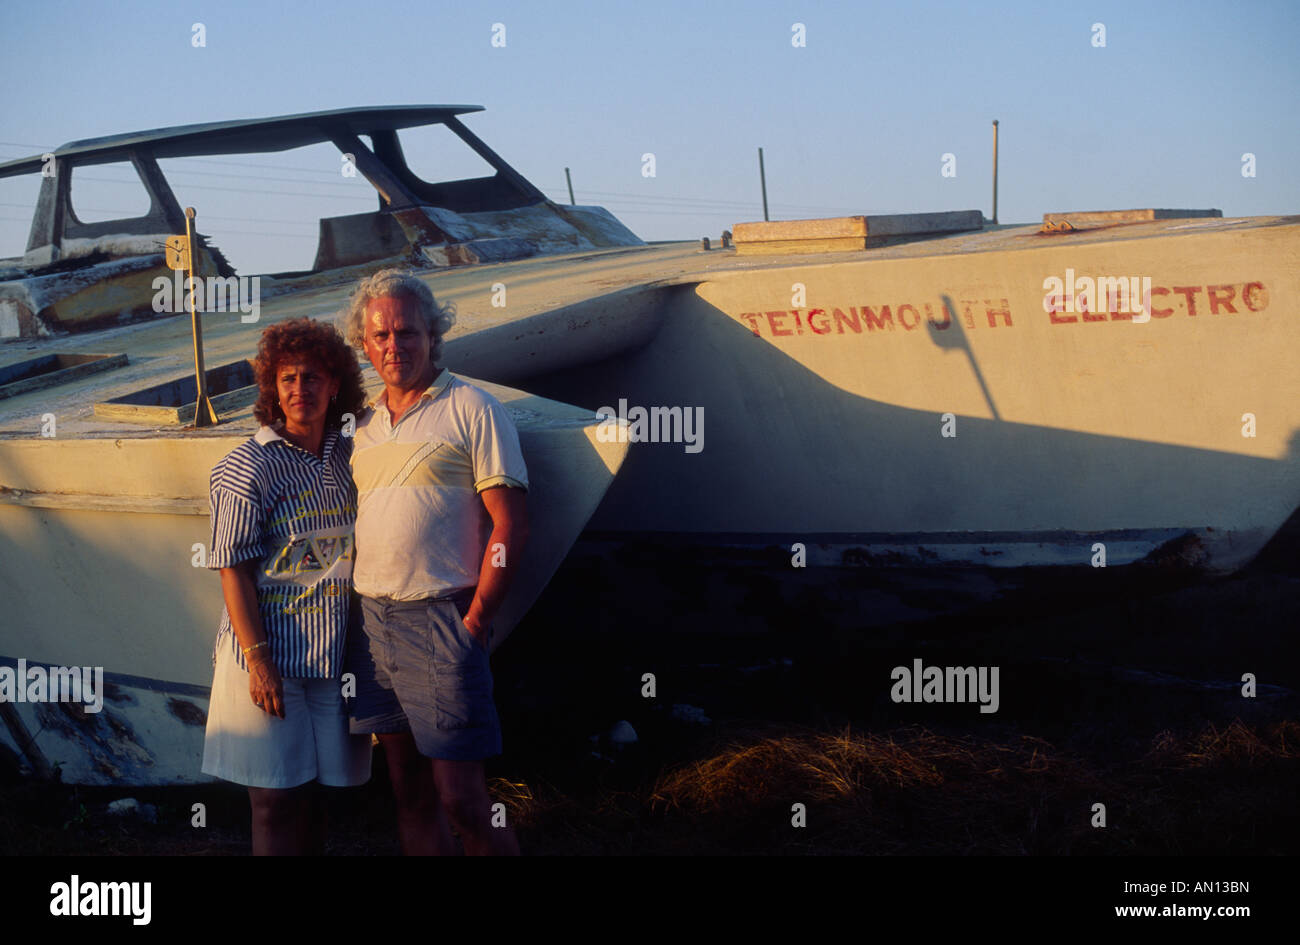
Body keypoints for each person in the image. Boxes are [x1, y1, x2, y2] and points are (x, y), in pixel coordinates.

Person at [340, 269, 529, 856]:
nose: (394, 345)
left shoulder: (473, 408)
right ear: (364, 345)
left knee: (463, 801)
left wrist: (473, 623)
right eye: (381, 335)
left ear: (431, 334)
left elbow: (511, 524)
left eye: (407, 332)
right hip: (373, 624)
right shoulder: (360, 425)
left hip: (443, 619)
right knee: (411, 796)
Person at [200, 317, 371, 855]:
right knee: (274, 801)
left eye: (314, 377)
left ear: (335, 384)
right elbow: (233, 568)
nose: (302, 390)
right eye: (289, 379)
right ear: (273, 389)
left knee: (318, 795)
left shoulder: (349, 454)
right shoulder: (247, 465)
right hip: (267, 658)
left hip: (330, 659)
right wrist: (259, 661)